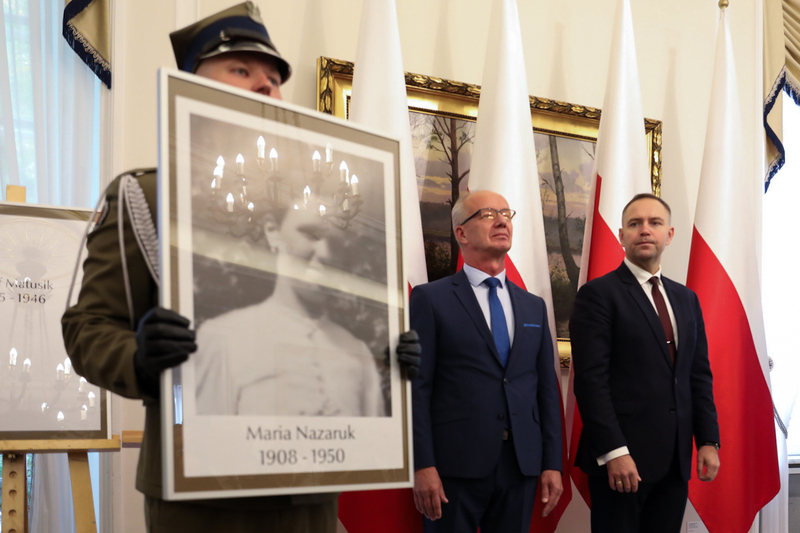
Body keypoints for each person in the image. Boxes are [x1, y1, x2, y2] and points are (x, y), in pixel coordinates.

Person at [61, 3, 420, 532]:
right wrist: (137, 356)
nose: (265, 87)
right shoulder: (147, 195)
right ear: (190, 82)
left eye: (274, 79)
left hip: (310, 499)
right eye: (242, 70)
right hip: (200, 499)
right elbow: (86, 328)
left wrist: (389, 358)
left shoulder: (319, 206)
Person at [410, 190, 563, 532]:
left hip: (521, 466)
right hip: (453, 468)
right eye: (488, 214)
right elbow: (416, 388)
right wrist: (422, 465)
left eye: (507, 214)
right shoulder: (430, 300)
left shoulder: (533, 306)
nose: (501, 221)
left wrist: (552, 463)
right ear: (461, 233)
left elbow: (546, 392)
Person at [570, 193, 720, 533]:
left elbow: (697, 375)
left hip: (674, 462)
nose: (645, 230)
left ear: (669, 235)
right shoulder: (598, 295)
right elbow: (591, 381)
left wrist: (708, 440)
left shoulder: (686, 299)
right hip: (622, 461)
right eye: (635, 224)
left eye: (654, 223)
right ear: (622, 235)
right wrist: (614, 452)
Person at [194, 206, 384, 417]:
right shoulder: (224, 338)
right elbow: (208, 443)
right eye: (311, 234)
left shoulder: (357, 352)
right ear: (273, 232)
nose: (326, 253)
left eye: (336, 242)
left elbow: (374, 446)